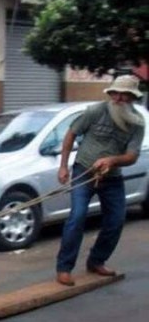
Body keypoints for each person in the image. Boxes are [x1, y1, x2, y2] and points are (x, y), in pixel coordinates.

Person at [56, 75, 145, 286]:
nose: (119, 97)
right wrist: (62, 166)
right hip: (84, 172)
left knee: (116, 220)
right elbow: (70, 134)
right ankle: (64, 268)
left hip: (112, 178)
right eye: (116, 93)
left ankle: (96, 261)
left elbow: (132, 157)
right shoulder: (95, 111)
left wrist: (111, 160)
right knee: (77, 218)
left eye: (125, 94)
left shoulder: (137, 123)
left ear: (133, 97)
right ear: (111, 93)